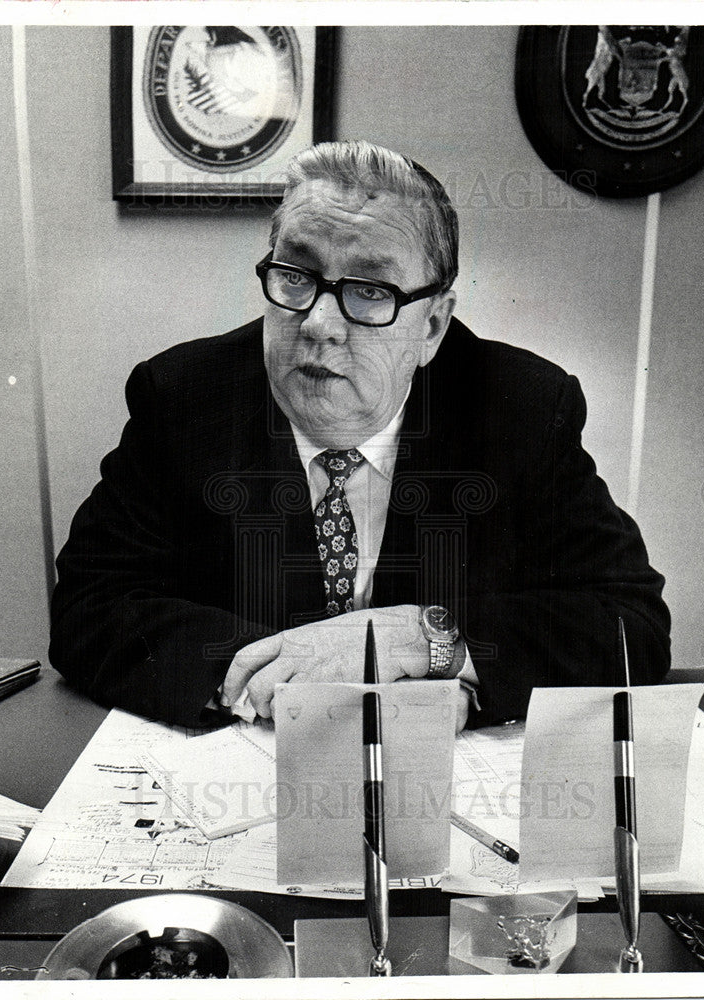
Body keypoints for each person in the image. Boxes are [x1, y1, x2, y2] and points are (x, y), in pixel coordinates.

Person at [49, 140, 670, 731]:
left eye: (370, 290)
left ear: (432, 326)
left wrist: (424, 639)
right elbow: (90, 607)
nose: (318, 323)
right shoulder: (184, 397)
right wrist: (282, 670)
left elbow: (630, 623)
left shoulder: (520, 409)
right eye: (296, 274)